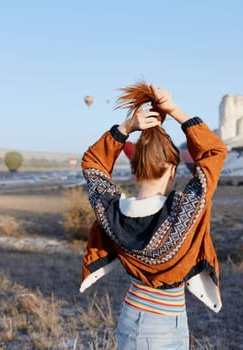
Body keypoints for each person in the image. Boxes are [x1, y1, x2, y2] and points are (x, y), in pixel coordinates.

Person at [79, 81, 228, 349]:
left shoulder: (111, 211)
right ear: (172, 170)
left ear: (135, 169)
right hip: (163, 323)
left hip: (137, 316)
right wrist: (173, 110)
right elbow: (214, 152)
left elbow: (93, 163)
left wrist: (126, 128)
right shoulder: (186, 208)